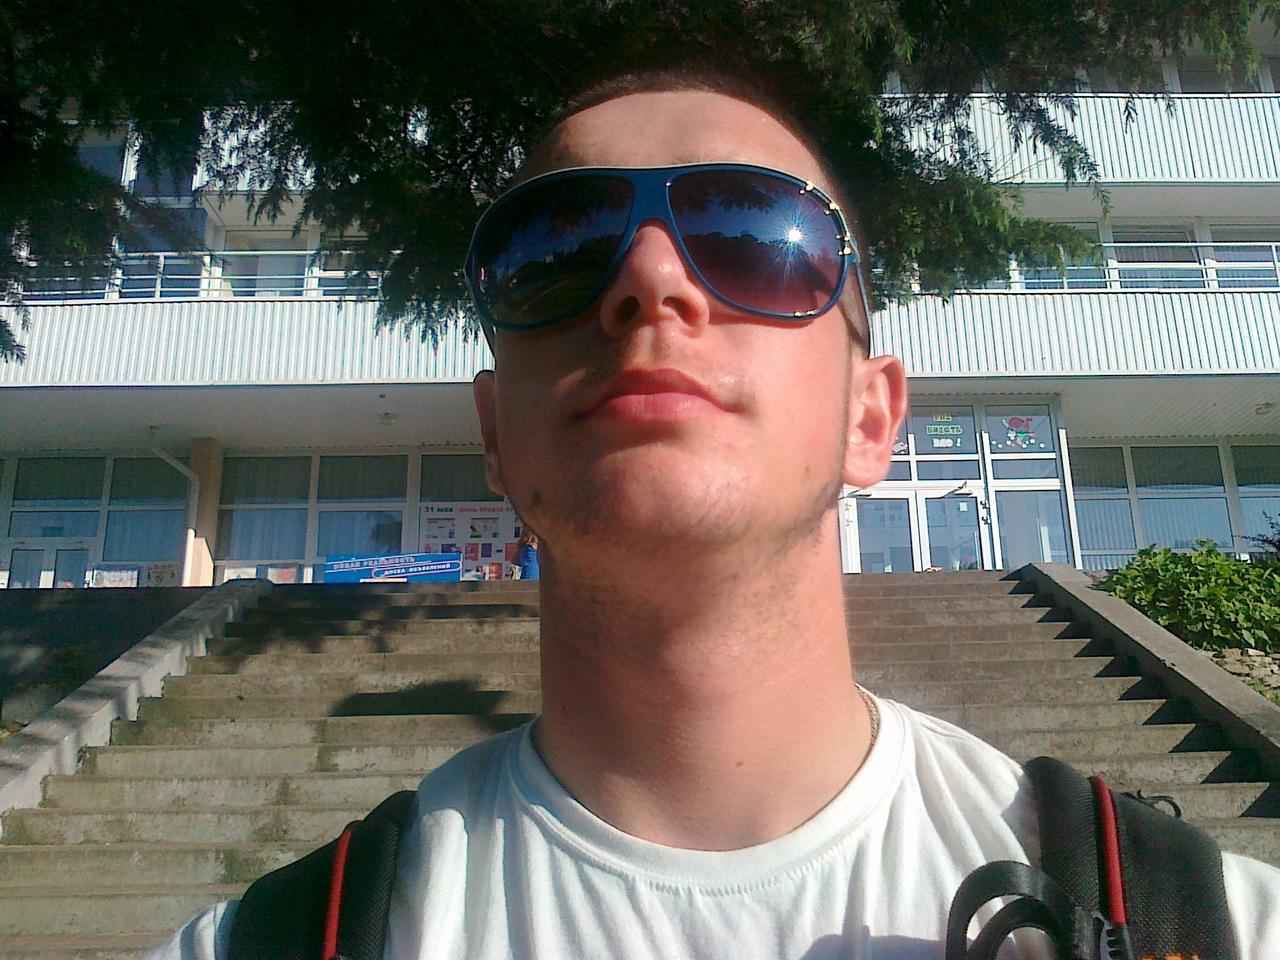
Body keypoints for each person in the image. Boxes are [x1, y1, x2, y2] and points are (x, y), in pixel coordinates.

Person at [149, 66, 1280, 960]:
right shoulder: (269, 942)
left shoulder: (1208, 924)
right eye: (557, 246)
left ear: (869, 418)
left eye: (753, 237)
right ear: (494, 431)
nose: (648, 280)